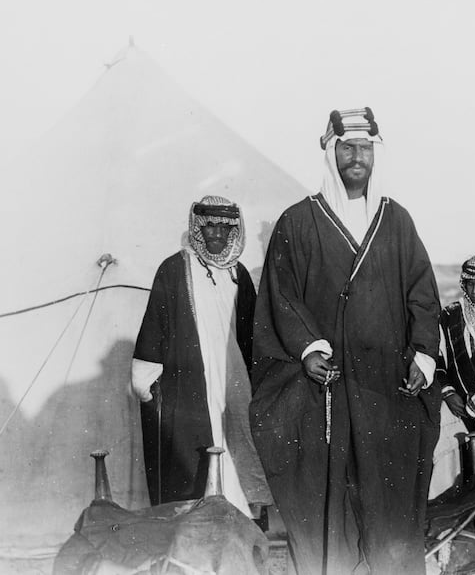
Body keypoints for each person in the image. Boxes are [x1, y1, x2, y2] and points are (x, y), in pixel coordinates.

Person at [249, 108, 441, 575]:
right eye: (347, 148)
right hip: (328, 385)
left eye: (365, 148)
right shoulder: (298, 222)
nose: (357, 158)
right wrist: (309, 348)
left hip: (384, 385)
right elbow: (282, 297)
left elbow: (423, 293)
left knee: (387, 491)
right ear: (330, 151)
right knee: (327, 491)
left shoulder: (396, 221)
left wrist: (423, 354)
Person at [132, 195, 270, 517]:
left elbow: (253, 337)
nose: (218, 235)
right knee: (192, 465)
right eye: (210, 227)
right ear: (198, 229)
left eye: (225, 228)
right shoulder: (174, 269)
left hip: (234, 382)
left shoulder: (239, 275)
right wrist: (147, 384)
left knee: (238, 453)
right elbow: (155, 326)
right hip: (192, 387)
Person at [429, 253, 475, 499]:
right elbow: (438, 359)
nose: (474, 291)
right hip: (455, 405)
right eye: (469, 284)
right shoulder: (450, 315)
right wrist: (448, 392)